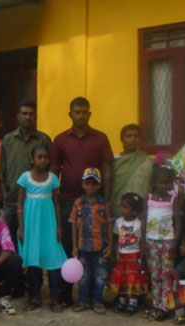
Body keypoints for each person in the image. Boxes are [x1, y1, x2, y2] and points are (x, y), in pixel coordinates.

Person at [51, 97, 114, 307]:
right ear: (70, 114)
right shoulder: (60, 139)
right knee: (69, 248)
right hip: (68, 201)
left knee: (95, 249)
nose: (81, 115)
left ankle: (93, 296)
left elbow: (107, 169)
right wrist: (53, 198)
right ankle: (66, 294)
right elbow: (54, 170)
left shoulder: (100, 138)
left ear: (90, 114)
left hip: (95, 203)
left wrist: (107, 198)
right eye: (77, 112)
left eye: (84, 112)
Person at [17, 145, 67, 312]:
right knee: (33, 261)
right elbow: (19, 204)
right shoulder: (24, 178)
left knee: (53, 261)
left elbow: (56, 204)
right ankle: (34, 297)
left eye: (46, 157)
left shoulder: (53, 179)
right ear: (32, 159)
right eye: (39, 156)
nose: (43, 160)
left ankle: (55, 298)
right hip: (31, 225)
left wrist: (59, 227)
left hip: (49, 225)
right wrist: (22, 229)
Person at [0, 100, 51, 246]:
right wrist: (5, 196)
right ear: (18, 116)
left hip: (36, 200)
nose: (28, 117)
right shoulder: (8, 140)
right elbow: (2, 171)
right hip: (12, 201)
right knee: (12, 243)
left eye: (31, 114)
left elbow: (50, 169)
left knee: (34, 241)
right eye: (24, 114)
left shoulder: (44, 139)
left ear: (36, 117)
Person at [140, 166, 181, 322]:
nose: (164, 185)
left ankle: (167, 306)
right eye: (160, 182)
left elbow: (178, 221)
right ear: (154, 182)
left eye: (167, 182)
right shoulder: (148, 198)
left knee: (166, 274)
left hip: (167, 241)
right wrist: (143, 242)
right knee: (155, 274)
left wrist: (175, 243)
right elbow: (144, 220)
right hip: (151, 242)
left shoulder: (173, 199)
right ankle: (157, 304)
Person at [70, 168, 113, 314]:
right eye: (87, 184)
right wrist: (75, 246)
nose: (90, 187)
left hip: (100, 247)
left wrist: (110, 246)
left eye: (94, 184)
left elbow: (109, 224)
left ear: (99, 185)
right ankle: (83, 301)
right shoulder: (78, 203)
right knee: (84, 275)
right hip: (83, 246)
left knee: (100, 276)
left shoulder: (104, 204)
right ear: (82, 184)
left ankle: (97, 301)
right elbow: (74, 226)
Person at [109, 193, 148, 315]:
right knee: (121, 279)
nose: (122, 209)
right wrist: (116, 252)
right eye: (121, 206)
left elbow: (142, 241)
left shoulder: (139, 224)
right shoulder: (118, 222)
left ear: (134, 211)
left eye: (126, 207)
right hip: (122, 255)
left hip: (134, 255)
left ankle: (133, 303)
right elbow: (116, 238)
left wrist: (142, 257)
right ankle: (122, 301)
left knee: (133, 280)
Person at [110, 124, 154, 218]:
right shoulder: (114, 162)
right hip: (118, 211)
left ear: (140, 140)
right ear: (122, 139)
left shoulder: (148, 162)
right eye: (128, 136)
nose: (132, 139)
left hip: (141, 211)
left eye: (136, 136)